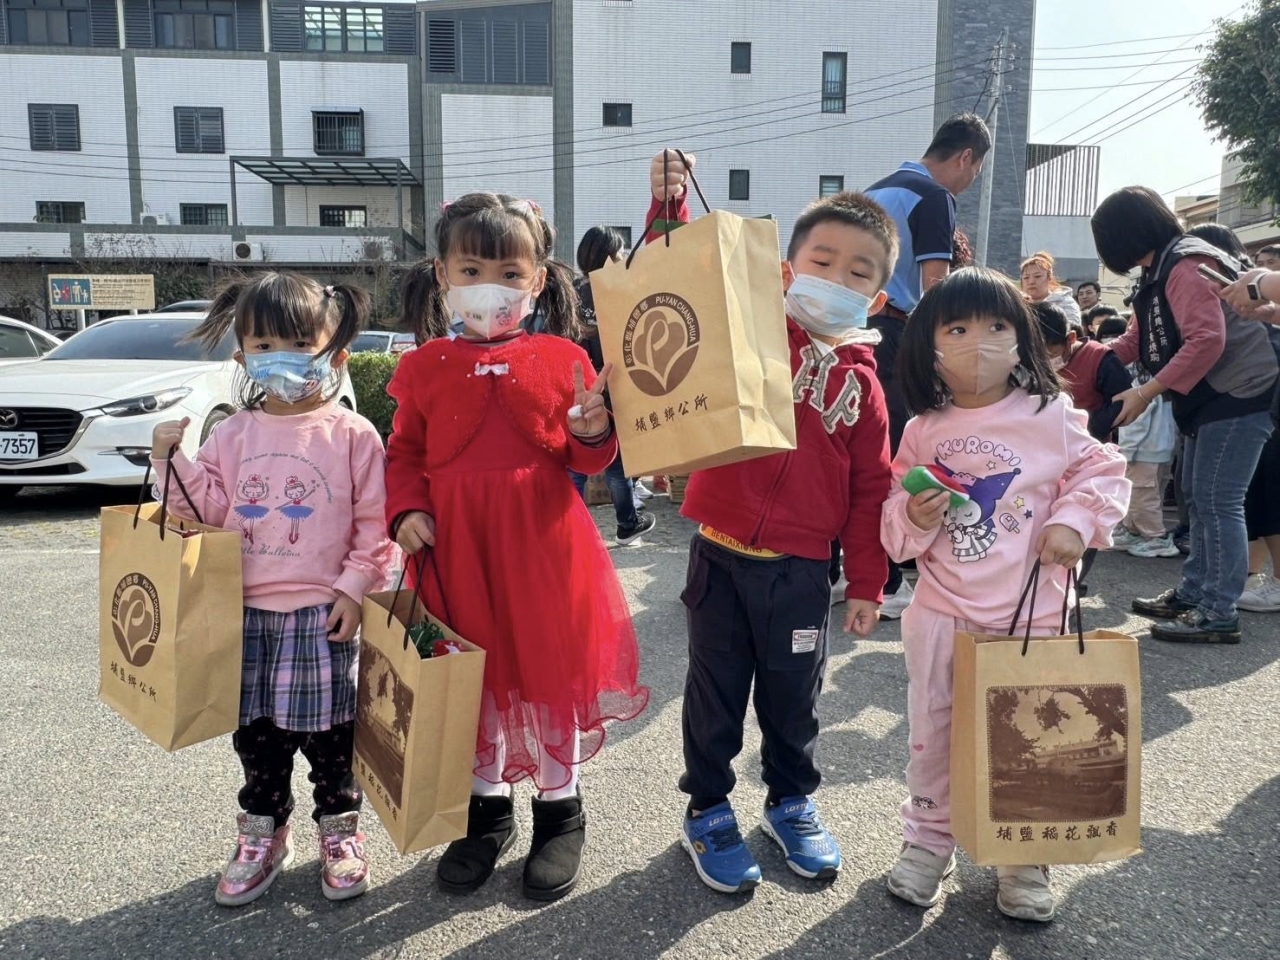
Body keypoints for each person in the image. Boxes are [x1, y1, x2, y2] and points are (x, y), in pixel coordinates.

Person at [383, 193, 648, 901]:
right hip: (455, 553)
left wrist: (594, 431)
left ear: (537, 279)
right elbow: (403, 453)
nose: (489, 286)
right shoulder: (426, 365)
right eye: (471, 270)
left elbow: (589, 458)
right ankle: (485, 813)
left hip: (544, 550)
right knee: (472, 682)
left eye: (509, 271)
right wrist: (405, 508)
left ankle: (561, 811)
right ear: (442, 274)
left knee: (548, 675)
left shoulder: (564, 357)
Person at [651, 149, 893, 893]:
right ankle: (708, 808)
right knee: (714, 696)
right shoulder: (751, 330)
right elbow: (678, 284)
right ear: (788, 270)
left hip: (803, 573)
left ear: (879, 297)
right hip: (718, 557)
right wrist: (669, 204)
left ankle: (791, 801)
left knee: (794, 700)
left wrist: (868, 584)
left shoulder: (866, 388)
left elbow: (871, 490)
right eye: (822, 261)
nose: (837, 279)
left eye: (859, 272)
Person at [880, 267, 1129, 922]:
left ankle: (1025, 856)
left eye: (995, 326)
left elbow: (1103, 468)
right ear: (929, 346)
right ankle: (928, 840)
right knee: (933, 734)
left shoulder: (1050, 414)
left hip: (1033, 614)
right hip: (941, 613)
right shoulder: (922, 429)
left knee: (1035, 739)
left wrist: (1073, 521)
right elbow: (894, 528)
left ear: (1021, 336)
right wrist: (915, 516)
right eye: (957, 329)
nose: (978, 343)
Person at [149, 272, 395, 906]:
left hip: (322, 614)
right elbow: (205, 512)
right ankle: (262, 833)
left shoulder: (352, 434)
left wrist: (353, 589)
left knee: (333, 740)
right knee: (257, 740)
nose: (279, 356)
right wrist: (170, 460)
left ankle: (340, 832)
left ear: (336, 354)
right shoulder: (233, 433)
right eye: (263, 345)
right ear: (242, 358)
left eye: (298, 342)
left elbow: (376, 525)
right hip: (244, 614)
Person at [1093, 186, 1278, 643]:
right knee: (1197, 497)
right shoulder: (1159, 269)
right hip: (1209, 398)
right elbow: (1137, 339)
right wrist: (1087, 358)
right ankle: (1195, 592)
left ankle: (1218, 610)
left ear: (1123, 233)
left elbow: (1207, 340)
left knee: (1218, 500)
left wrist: (1145, 392)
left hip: (1239, 392)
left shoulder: (1185, 263)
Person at [861, 113, 993, 619]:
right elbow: (935, 289)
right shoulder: (934, 196)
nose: (970, 180)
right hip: (897, 333)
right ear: (966, 157)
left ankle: (850, 569)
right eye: (975, 171)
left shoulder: (876, 191)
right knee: (892, 454)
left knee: (858, 450)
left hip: (855, 333)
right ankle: (888, 580)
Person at [568, 225, 656, 545]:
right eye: (619, 252)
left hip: (577, 388)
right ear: (607, 255)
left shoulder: (572, 291)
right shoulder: (617, 290)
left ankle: (564, 523)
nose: (623, 257)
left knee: (577, 460)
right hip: (613, 390)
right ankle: (627, 524)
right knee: (617, 463)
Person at [1034, 300, 1131, 442]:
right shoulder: (1024, 362)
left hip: (1089, 443)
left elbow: (1121, 403)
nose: (1044, 362)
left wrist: (1081, 430)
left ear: (1071, 338)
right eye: (1037, 356)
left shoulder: (1099, 358)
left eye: (1051, 355)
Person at [1020, 252, 1083, 329]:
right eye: (1026, 277)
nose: (1031, 282)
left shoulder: (1065, 302)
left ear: (1049, 277)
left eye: (1037, 276)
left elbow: (1073, 328)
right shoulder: (1015, 302)